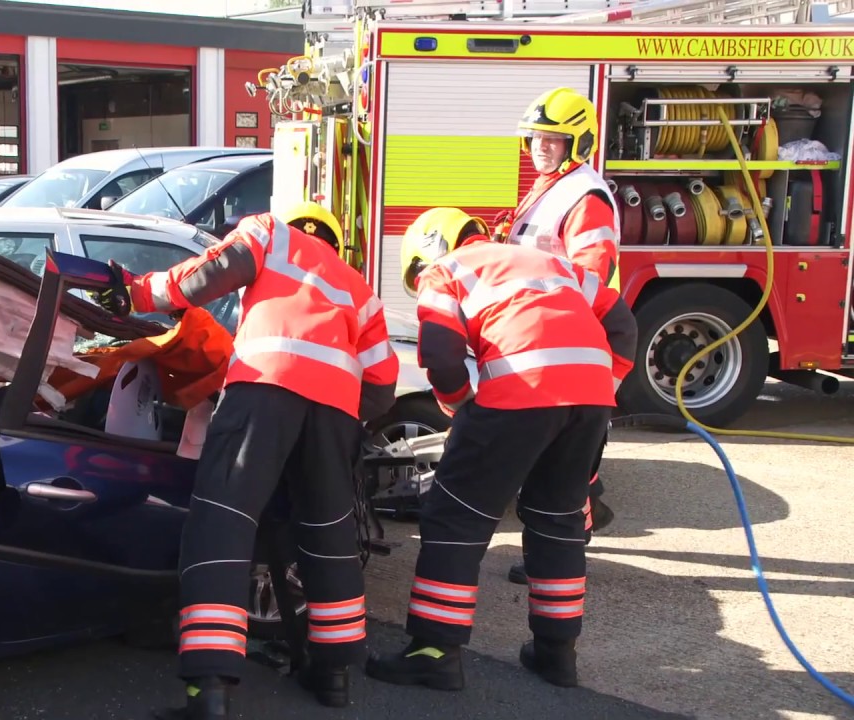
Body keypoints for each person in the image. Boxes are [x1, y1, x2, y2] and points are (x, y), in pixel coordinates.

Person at [92, 203, 399, 719]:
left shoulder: (272, 233)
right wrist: (337, 416)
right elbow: (384, 386)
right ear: (334, 239)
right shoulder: (358, 288)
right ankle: (334, 676)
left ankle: (209, 689)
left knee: (222, 527)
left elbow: (209, 274)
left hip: (263, 388)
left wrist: (135, 293)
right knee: (329, 539)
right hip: (335, 414)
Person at [365, 207, 637, 690]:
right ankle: (557, 654)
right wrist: (601, 384)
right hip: (591, 399)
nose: (417, 280)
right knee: (558, 519)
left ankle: (434, 652)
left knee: (455, 519)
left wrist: (461, 413)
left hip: (519, 390)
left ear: (430, 247)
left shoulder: (445, 271)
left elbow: (442, 358)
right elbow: (623, 326)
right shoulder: (552, 264)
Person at [496, 87, 623, 584]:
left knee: (562, 468)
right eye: (535, 138)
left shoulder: (584, 196)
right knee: (561, 465)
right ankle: (557, 551)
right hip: (555, 343)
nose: (540, 147)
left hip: (570, 345)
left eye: (553, 139)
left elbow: (590, 275)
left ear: (580, 141)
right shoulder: (553, 184)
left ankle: (559, 554)